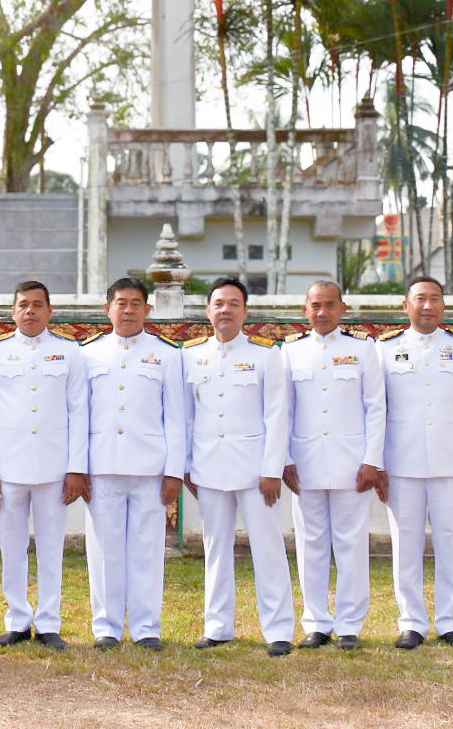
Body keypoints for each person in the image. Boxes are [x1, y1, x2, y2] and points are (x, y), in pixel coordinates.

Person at [375, 276, 453, 650]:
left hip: (451, 462)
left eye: (435, 299)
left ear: (444, 305)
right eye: (420, 299)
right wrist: (377, 463)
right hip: (402, 463)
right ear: (405, 306)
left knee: (451, 544)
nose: (428, 306)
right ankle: (411, 622)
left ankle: (452, 621)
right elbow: (376, 410)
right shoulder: (386, 349)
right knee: (405, 546)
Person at [183, 277, 295, 657]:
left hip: (255, 470)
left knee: (267, 547)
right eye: (219, 303)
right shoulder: (191, 355)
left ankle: (278, 630)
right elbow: (185, 417)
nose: (225, 310)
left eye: (233, 303)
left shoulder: (266, 355)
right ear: (208, 311)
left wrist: (272, 469)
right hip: (209, 467)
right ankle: (218, 627)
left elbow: (278, 416)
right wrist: (187, 466)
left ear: (245, 311)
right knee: (216, 547)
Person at [0, 281, 89, 651]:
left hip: (55, 467)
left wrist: (76, 468)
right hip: (8, 467)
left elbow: (79, 412)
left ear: (49, 311)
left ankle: (49, 622)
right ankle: (17, 620)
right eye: (23, 305)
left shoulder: (69, 352)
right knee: (12, 546)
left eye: (38, 305)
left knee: (52, 546)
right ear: (13, 311)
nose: (30, 311)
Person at [81, 277, 185, 651]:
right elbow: (80, 415)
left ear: (147, 310)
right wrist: (79, 468)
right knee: (104, 550)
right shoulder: (88, 354)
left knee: (147, 549)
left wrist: (174, 470)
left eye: (136, 304)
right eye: (121, 303)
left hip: (149, 469)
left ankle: (146, 628)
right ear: (107, 308)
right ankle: (106, 627)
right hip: (102, 466)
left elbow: (176, 417)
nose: (128, 310)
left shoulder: (167, 355)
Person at [282, 281, 385, 652]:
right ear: (305, 310)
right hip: (305, 464)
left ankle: (349, 624)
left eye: (329, 305)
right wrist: (286, 459)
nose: (322, 312)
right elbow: (285, 411)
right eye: (315, 305)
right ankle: (316, 622)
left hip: (351, 464)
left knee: (351, 544)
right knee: (310, 544)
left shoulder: (362, 348)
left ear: (342, 308)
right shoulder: (291, 352)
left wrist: (372, 459)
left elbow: (376, 407)